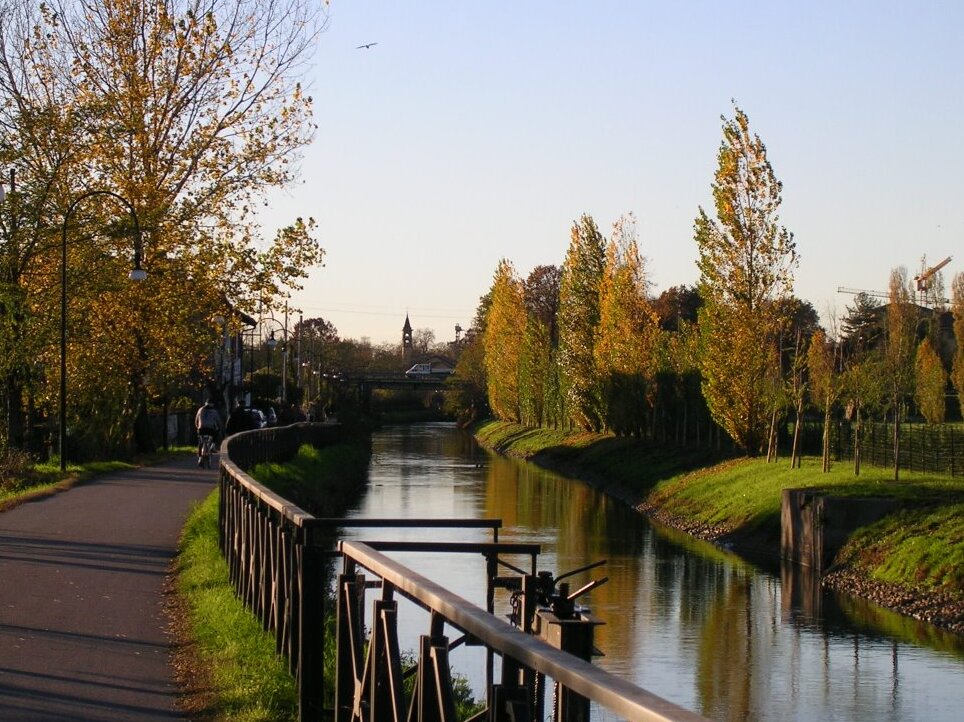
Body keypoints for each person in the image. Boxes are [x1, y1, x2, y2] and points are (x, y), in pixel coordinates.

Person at [194, 399, 222, 466]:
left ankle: (200, 458)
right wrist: (219, 428)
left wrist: (197, 427)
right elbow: (218, 421)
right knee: (215, 434)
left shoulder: (200, 410)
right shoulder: (214, 411)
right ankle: (213, 446)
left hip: (201, 429)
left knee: (201, 442)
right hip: (210, 429)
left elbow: (196, 420)